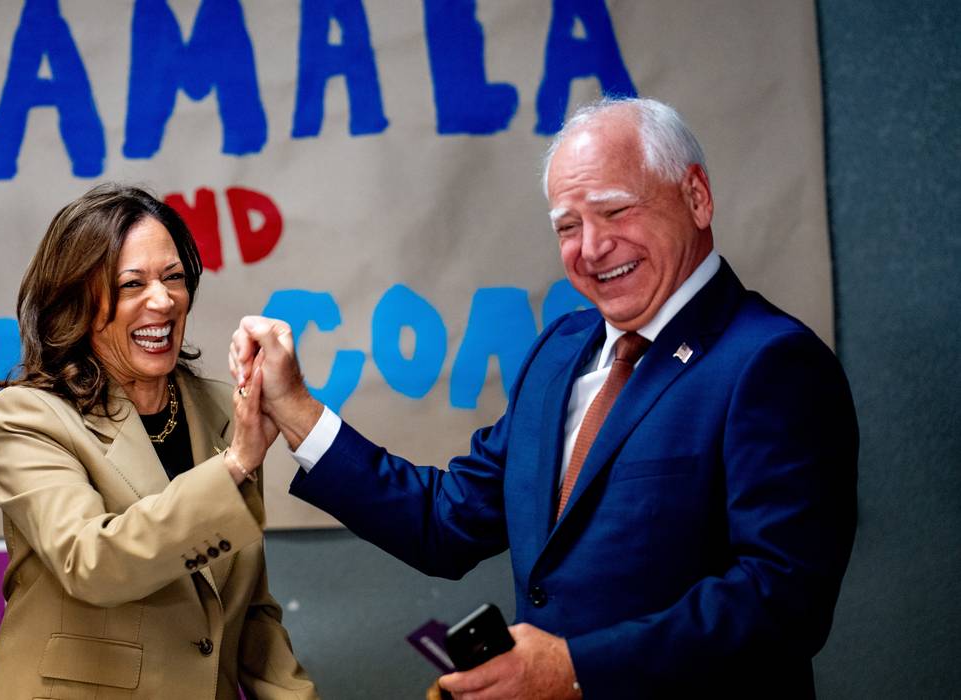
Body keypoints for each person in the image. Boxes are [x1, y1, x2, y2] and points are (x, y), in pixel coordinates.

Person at [229, 98, 858, 698]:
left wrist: (576, 670)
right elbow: (443, 522)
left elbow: (782, 601)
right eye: (568, 225)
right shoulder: (560, 351)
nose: (591, 248)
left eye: (614, 212)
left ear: (696, 196)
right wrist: (295, 409)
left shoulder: (772, 363)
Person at [0, 183, 316, 699]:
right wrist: (235, 466)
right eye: (131, 284)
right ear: (78, 302)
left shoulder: (224, 411)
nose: (163, 300)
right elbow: (91, 563)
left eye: (174, 278)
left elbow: (247, 609)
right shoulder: (28, 417)